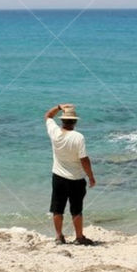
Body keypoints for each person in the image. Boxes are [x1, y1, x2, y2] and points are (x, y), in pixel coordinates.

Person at [44, 103, 96, 245]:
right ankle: (79, 237)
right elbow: (84, 159)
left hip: (58, 177)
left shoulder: (55, 132)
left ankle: (59, 236)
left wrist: (59, 107)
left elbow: (48, 116)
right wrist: (91, 176)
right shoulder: (78, 137)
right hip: (76, 179)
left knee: (57, 209)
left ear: (62, 120)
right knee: (77, 209)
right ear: (75, 121)